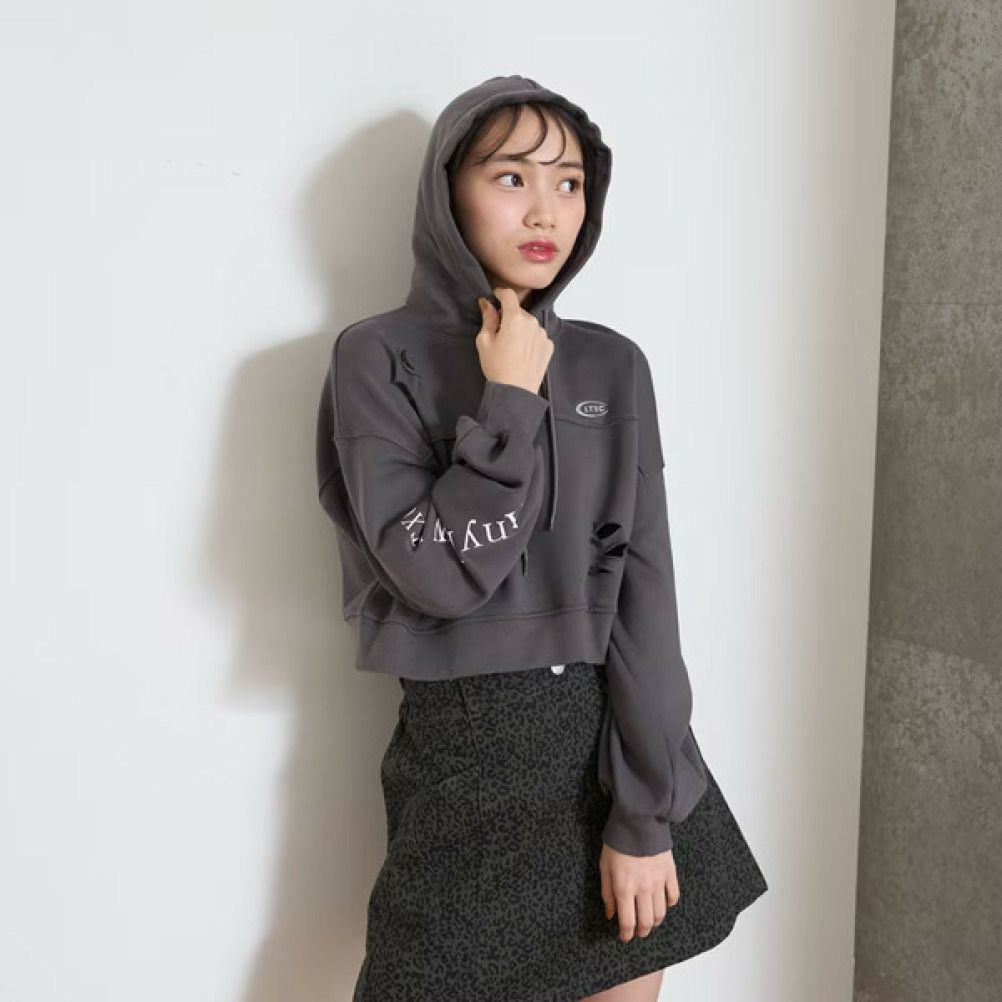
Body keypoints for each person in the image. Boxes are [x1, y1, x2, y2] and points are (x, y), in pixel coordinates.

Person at [315, 73, 768, 1002]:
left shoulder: (612, 364)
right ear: (447, 191)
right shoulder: (377, 357)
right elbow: (438, 576)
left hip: (609, 756)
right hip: (462, 760)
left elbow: (645, 599)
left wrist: (643, 815)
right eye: (512, 177)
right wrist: (511, 398)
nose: (546, 210)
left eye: (569, 183)